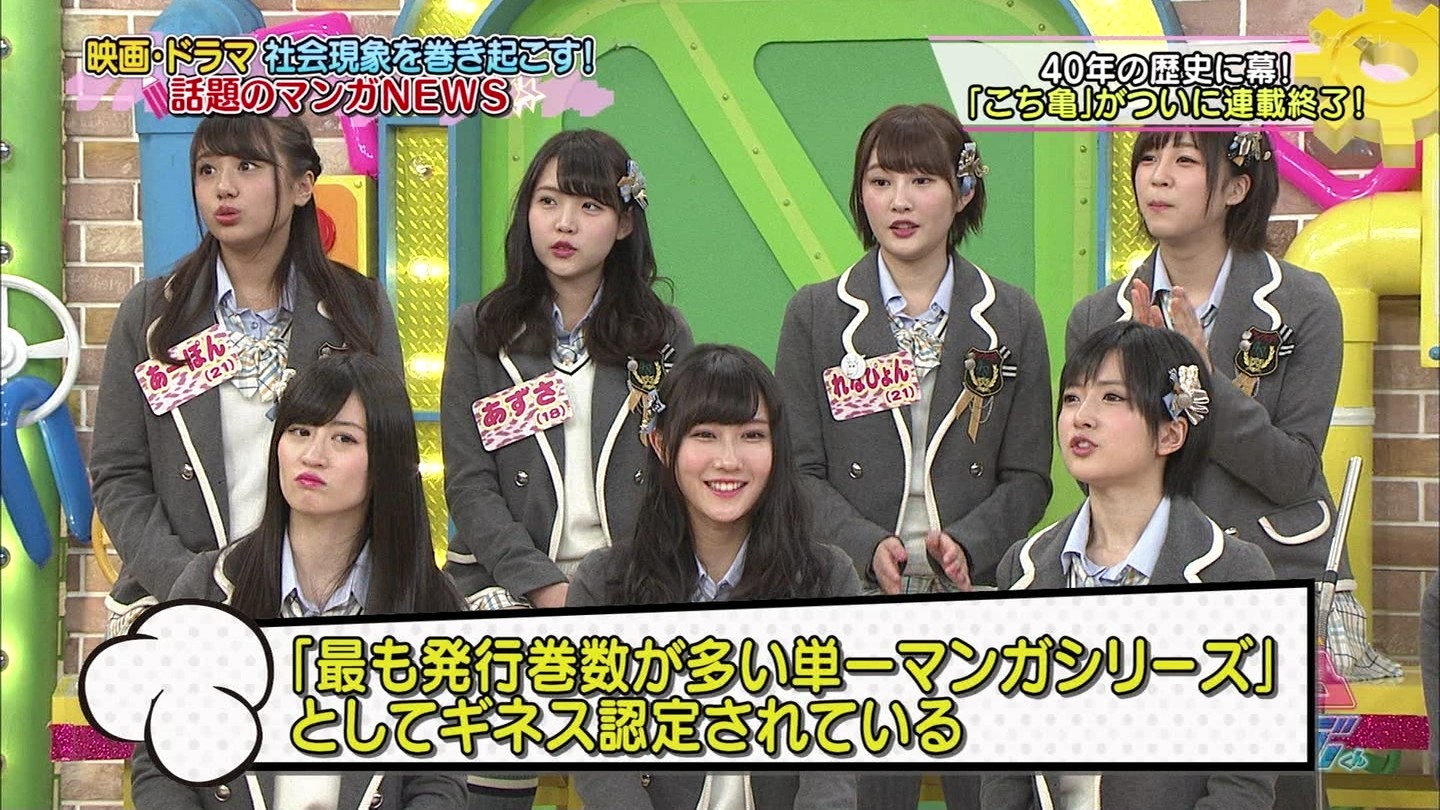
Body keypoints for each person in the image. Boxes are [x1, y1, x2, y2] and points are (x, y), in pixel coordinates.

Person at [773, 103, 1052, 810]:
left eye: (922, 180)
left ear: (963, 192)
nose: (899, 201)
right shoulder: (816, 313)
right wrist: (867, 546)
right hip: (854, 598)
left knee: (989, 796)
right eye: (880, 181)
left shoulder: (1012, 315)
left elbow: (1029, 476)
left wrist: (969, 543)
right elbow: (797, 472)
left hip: (974, 601)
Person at [439, 128, 692, 807]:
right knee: (491, 694)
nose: (565, 223)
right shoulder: (478, 331)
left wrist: (609, 588)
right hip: (505, 580)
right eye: (548, 201)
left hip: (631, 584)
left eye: (589, 205)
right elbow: (468, 482)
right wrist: (545, 586)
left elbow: (676, 480)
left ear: (624, 222)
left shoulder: (662, 334)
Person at [92, 113, 404, 640]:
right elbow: (118, 473)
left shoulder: (359, 308)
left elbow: (389, 456)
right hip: (179, 602)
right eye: (207, 170)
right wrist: (193, 587)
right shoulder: (150, 314)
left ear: (303, 186)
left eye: (248, 166)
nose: (224, 188)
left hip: (326, 602)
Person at [129, 353, 467, 809]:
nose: (313, 455)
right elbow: (160, 762)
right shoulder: (210, 588)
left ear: (386, 460)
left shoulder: (432, 605)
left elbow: (439, 783)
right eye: (300, 431)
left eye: (344, 438)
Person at [984, 320, 1276, 809]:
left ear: (1170, 433)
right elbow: (1004, 765)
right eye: (1072, 398)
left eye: (1111, 398)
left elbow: (1244, 781)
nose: (1081, 417)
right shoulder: (1025, 567)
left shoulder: (1234, 573)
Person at [567, 344, 860, 809]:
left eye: (751, 435)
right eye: (705, 434)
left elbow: (833, 766)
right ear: (662, 444)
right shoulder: (604, 585)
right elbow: (602, 764)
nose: (729, 460)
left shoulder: (827, 580)